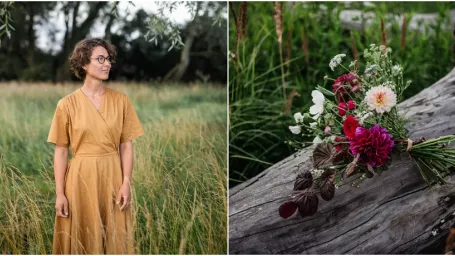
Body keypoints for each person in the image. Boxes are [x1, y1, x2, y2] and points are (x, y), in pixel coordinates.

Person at [47, 38, 144, 254]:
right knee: (81, 236)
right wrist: (60, 193)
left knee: (116, 237)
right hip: (80, 179)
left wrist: (126, 182)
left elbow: (126, 146)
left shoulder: (121, 101)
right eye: (100, 59)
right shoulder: (66, 104)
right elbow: (61, 151)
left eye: (108, 59)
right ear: (83, 64)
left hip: (113, 176)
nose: (107, 64)